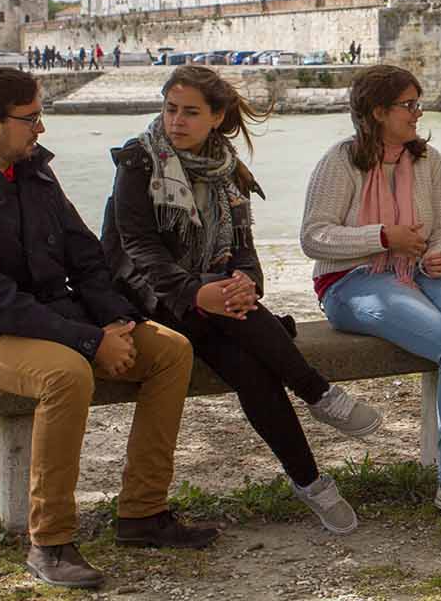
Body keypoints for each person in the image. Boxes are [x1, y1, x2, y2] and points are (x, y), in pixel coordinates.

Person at [0, 67, 214, 591]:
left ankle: (142, 513)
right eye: (30, 119)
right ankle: (49, 540)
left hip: (59, 315)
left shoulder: (33, 171)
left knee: (170, 350)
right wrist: (89, 341)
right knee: (66, 375)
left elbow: (86, 256)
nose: (41, 129)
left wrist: (116, 321)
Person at [101, 65, 382, 535]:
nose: (176, 121)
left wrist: (245, 281)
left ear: (216, 117)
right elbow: (137, 248)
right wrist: (197, 291)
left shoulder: (227, 169)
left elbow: (245, 250)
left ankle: (309, 481)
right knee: (243, 318)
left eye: (190, 112)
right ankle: (317, 395)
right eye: (171, 109)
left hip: (216, 302)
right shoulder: (140, 162)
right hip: (149, 295)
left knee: (250, 363)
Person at [301, 64, 441, 523]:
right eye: (408, 105)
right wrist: (383, 237)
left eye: (416, 104)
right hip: (352, 282)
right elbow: (313, 237)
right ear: (377, 112)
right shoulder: (339, 161)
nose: (417, 113)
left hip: (418, 271)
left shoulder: (428, 160)